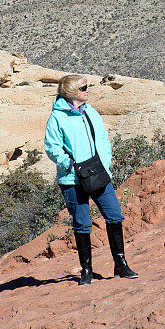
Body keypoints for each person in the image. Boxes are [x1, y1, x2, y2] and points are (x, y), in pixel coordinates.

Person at [44, 74, 138, 286]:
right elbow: (52, 146)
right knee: (82, 223)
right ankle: (86, 270)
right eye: (84, 87)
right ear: (71, 93)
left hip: (97, 173)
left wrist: (105, 161)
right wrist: (67, 163)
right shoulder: (57, 118)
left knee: (114, 215)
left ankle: (120, 264)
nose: (88, 90)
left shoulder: (91, 112)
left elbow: (103, 138)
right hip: (72, 179)